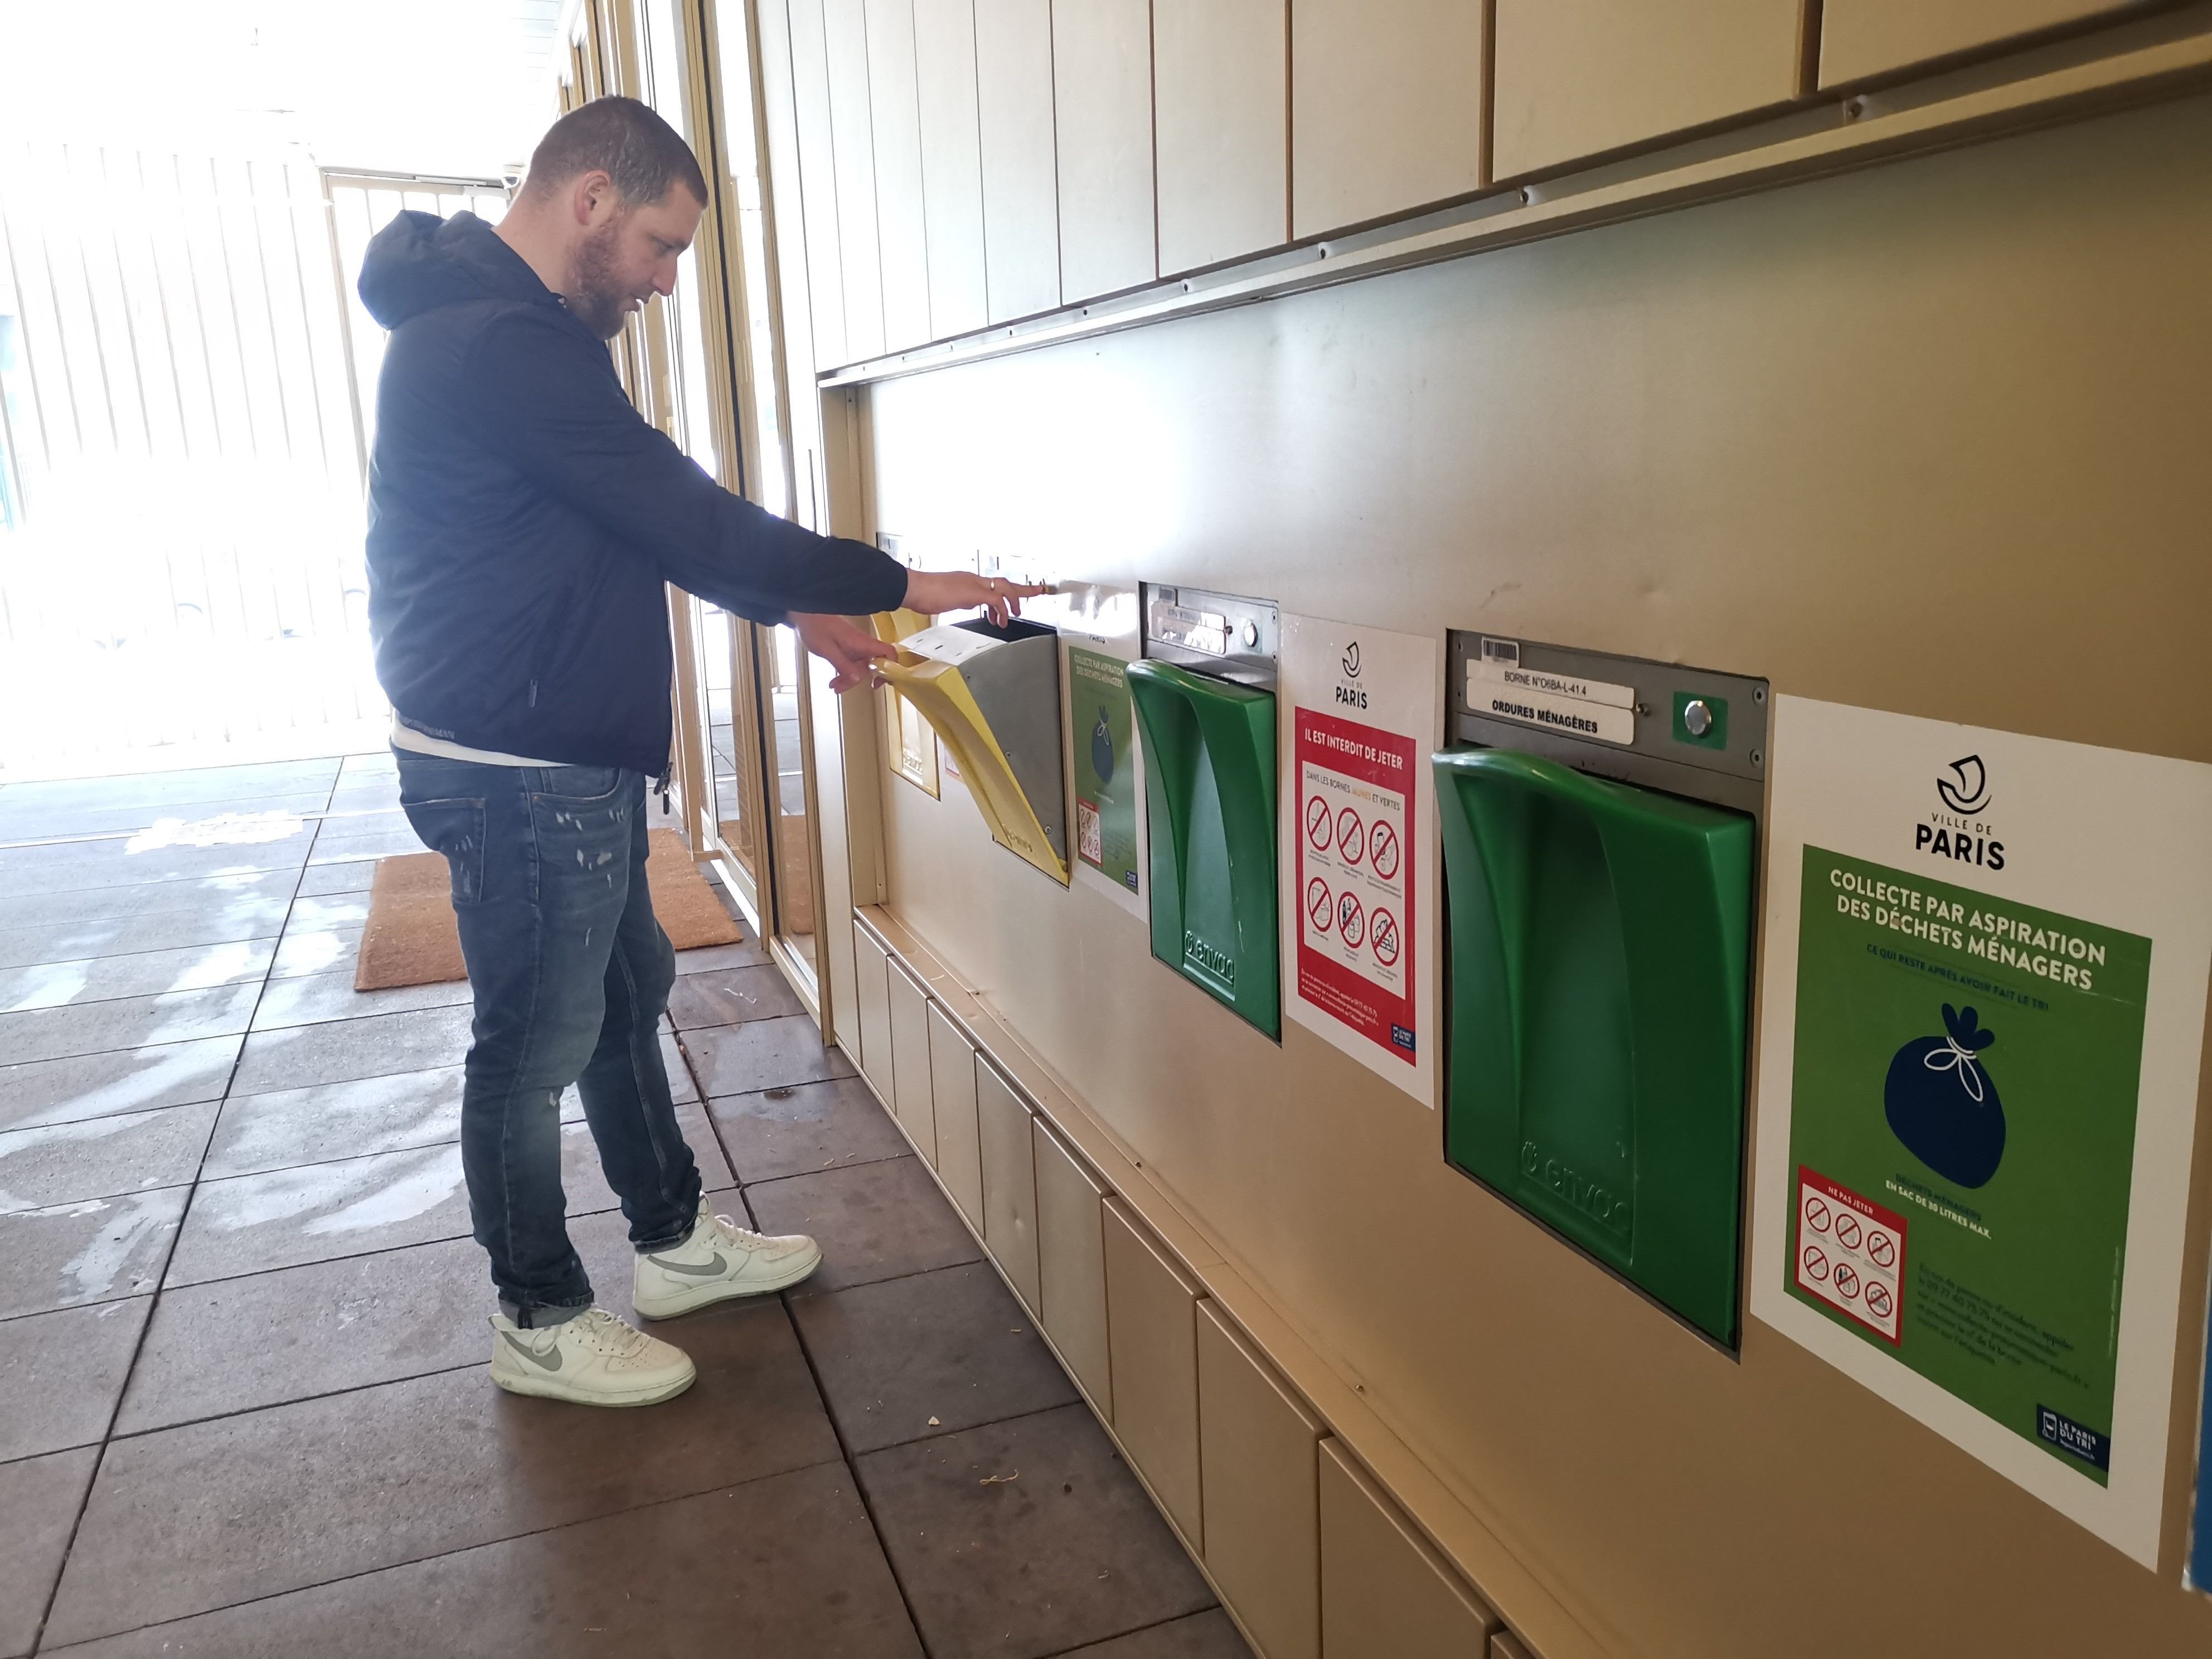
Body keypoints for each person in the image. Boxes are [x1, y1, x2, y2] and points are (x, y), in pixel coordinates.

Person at [357, 95, 1036, 1407]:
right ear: (592, 200)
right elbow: (687, 509)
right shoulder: (499, 345)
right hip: (517, 763)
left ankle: (670, 1243)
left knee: (621, 998)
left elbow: (636, 529)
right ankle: (539, 1318)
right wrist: (898, 580)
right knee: (536, 1042)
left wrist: (810, 611)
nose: (668, 282)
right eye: (663, 247)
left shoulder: (512, 334)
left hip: (557, 748)